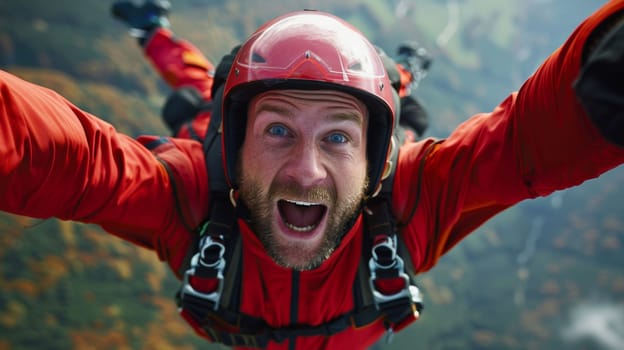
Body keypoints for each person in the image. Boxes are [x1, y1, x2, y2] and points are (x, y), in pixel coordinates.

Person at [0, 1, 623, 349]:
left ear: (377, 162)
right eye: (276, 131)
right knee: (201, 93)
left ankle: (395, 78)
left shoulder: (405, 198)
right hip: (222, 123)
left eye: (337, 138)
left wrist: (609, 66)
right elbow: (69, 159)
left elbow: (522, 142)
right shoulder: (190, 192)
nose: (306, 170)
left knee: (376, 91)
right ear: (233, 145)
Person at [111, 0, 432, 144]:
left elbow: (187, 70)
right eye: (278, 131)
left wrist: (152, 30)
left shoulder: (209, 130)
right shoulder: (208, 129)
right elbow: (381, 86)